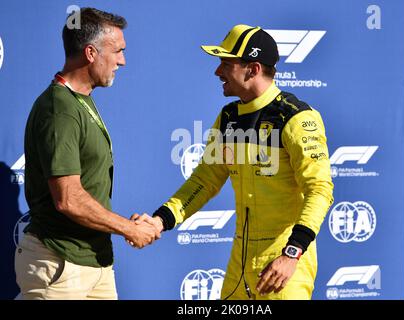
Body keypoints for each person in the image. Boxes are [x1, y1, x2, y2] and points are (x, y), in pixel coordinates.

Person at [135, 24, 334, 300]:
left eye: (226, 64)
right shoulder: (229, 117)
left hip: (284, 266)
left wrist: (292, 253)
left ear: (252, 70)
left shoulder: (297, 118)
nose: (217, 72)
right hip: (238, 266)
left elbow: (320, 190)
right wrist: (160, 221)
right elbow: (205, 181)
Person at [15, 7, 159, 300]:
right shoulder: (60, 109)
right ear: (91, 53)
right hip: (60, 267)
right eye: (117, 51)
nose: (123, 60)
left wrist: (124, 228)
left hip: (95, 262)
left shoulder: (80, 100)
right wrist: (128, 228)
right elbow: (68, 199)